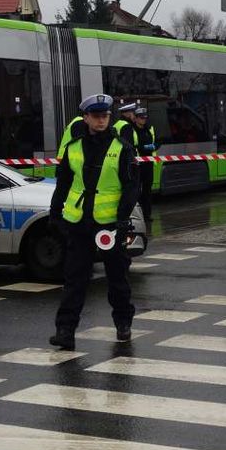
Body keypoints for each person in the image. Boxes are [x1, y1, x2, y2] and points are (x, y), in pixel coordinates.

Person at [48, 93, 140, 350]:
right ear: (86, 117)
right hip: (78, 222)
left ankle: (123, 323)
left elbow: (132, 187)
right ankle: (65, 331)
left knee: (117, 277)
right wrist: (55, 214)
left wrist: (122, 219)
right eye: (97, 116)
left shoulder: (121, 147)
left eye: (105, 116)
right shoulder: (73, 147)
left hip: (110, 224)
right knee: (74, 279)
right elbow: (64, 183)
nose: (102, 120)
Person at [131, 104, 159, 221]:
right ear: (136, 118)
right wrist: (146, 147)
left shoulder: (149, 129)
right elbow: (136, 146)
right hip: (137, 164)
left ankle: (147, 215)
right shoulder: (132, 129)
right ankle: (137, 216)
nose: (143, 120)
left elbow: (157, 143)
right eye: (141, 118)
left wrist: (153, 146)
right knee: (137, 190)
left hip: (148, 164)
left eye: (145, 118)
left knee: (147, 190)